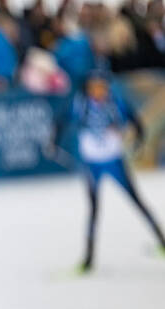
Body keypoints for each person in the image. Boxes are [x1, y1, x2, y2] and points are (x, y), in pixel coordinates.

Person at [63, 70, 165, 271]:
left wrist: (138, 141)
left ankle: (161, 241)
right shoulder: (81, 104)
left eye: (102, 86)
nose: (98, 90)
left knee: (137, 201)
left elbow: (136, 122)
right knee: (93, 210)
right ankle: (88, 259)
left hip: (114, 160)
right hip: (92, 163)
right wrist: (52, 138)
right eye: (95, 86)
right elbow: (62, 121)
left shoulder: (115, 103)